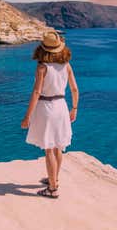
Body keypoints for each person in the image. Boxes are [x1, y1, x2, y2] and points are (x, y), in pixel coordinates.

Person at [21, 31, 79, 198]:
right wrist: (74, 108)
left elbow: (37, 92)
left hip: (46, 108)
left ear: (43, 49)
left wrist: (27, 117)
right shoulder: (66, 65)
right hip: (61, 106)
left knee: (49, 150)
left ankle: (52, 189)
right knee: (58, 146)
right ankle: (55, 179)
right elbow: (75, 89)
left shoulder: (42, 67)